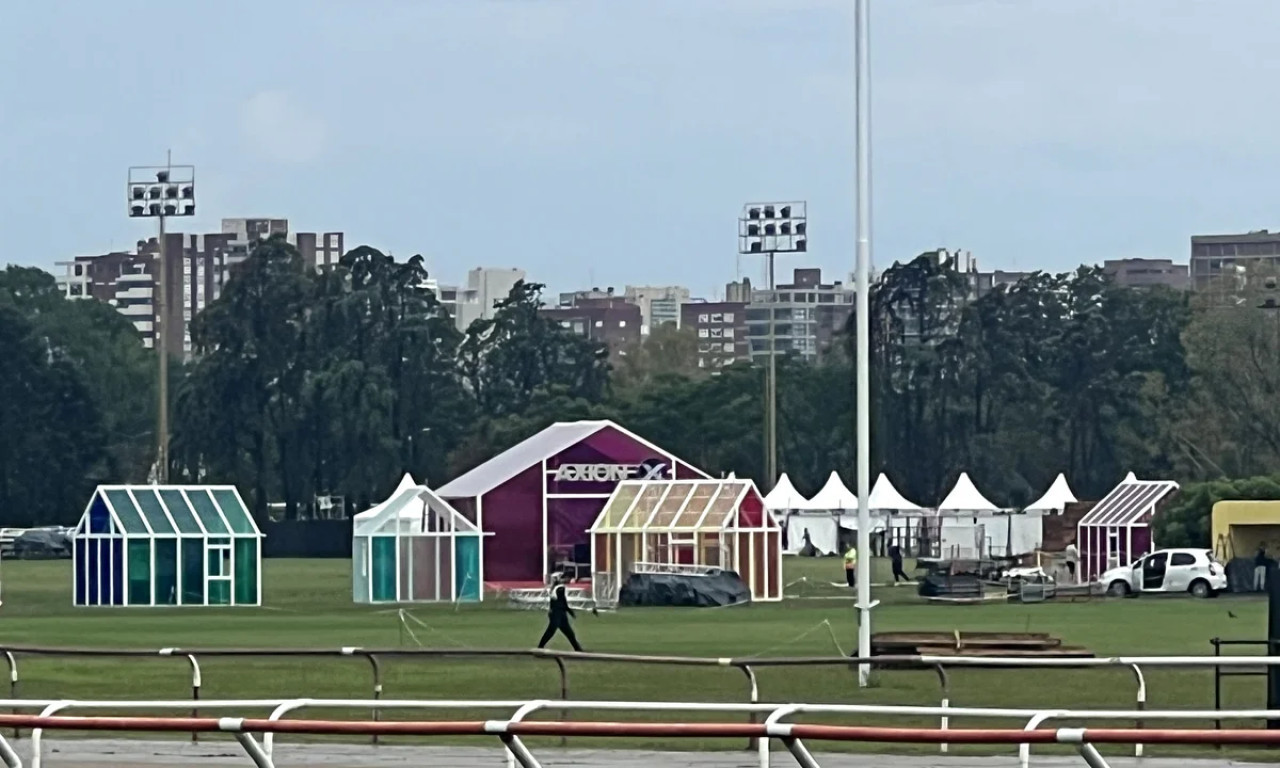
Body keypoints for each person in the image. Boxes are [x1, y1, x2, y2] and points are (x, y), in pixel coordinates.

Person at [537, 573, 584, 652]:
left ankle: (577, 648)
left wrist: (568, 611)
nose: (567, 579)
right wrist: (569, 611)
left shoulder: (555, 587)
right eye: (565, 578)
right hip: (557, 613)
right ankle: (540, 647)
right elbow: (563, 602)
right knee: (551, 631)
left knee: (568, 632)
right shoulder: (560, 588)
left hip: (558, 612)